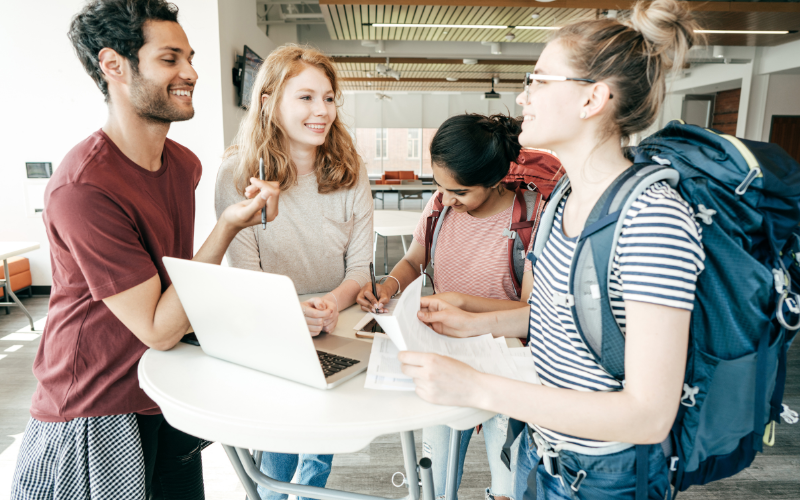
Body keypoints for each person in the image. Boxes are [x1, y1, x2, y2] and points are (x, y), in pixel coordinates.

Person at [399, 1, 705, 498]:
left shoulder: (650, 219)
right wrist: (472, 318)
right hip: (543, 454)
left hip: (606, 475)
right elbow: (554, 316)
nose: (523, 98)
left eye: (539, 80)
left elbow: (648, 415)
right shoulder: (561, 197)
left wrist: (476, 387)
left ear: (592, 100)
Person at [10, 1, 279, 499]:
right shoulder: (83, 188)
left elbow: (171, 291)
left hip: (163, 389)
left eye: (189, 58)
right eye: (170, 59)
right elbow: (158, 326)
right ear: (113, 65)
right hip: (98, 407)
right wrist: (226, 227)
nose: (192, 72)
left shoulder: (183, 165)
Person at [214, 44, 372, 500]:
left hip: (333, 321)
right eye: (305, 97)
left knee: (319, 448)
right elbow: (246, 273)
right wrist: (292, 311)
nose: (321, 111)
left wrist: (330, 304)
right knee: (277, 451)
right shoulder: (236, 172)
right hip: (271, 324)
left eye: (328, 97)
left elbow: (359, 268)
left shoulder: (349, 170)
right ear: (268, 101)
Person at [357, 113, 534, 500]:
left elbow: (530, 312)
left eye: (460, 191)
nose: (447, 198)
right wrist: (388, 285)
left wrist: (465, 312)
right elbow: (413, 260)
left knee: (509, 490)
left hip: (506, 366)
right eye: (440, 185)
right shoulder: (439, 206)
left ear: (496, 178)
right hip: (443, 356)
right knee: (433, 483)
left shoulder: (529, 219)